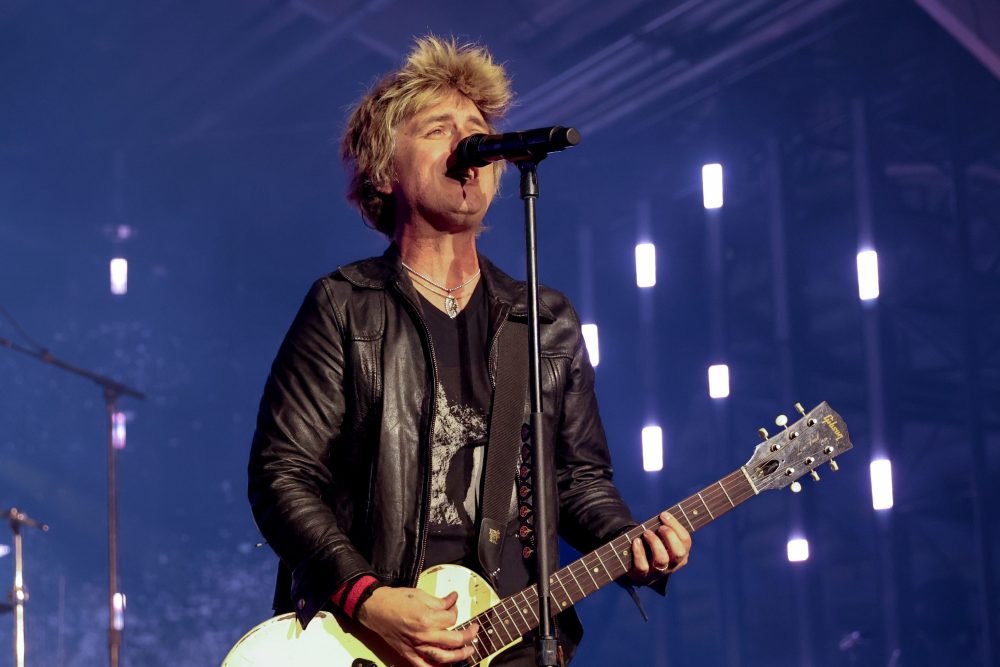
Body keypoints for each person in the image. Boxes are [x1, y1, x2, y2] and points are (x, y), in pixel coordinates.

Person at [248, 35, 692, 667]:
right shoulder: (345, 306)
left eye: (478, 133)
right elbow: (282, 476)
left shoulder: (544, 320)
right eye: (438, 129)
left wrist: (631, 540)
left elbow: (577, 481)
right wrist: (369, 598)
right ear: (384, 171)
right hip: (371, 640)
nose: (467, 144)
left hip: (515, 638)